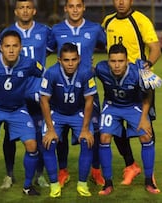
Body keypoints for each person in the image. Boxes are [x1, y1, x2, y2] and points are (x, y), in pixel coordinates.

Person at [0, 30, 43, 197]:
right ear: (0, 48)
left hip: (18, 109)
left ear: (21, 47)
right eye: (7, 46)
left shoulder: (29, 63)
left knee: (32, 146)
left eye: (15, 46)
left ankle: (27, 186)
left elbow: (46, 75)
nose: (11, 50)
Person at [102, 0, 161, 185]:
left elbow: (156, 48)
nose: (121, 2)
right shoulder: (108, 21)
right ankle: (131, 165)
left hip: (138, 81)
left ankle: (149, 173)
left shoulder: (140, 20)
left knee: (146, 128)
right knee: (116, 127)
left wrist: (147, 67)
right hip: (116, 79)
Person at [49, 0, 106, 187]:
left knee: (95, 131)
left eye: (78, 6)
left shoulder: (95, 29)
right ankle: (63, 170)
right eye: (70, 6)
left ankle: (95, 170)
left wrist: (101, 68)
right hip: (62, 89)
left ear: (84, 8)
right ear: (65, 8)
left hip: (88, 88)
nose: (74, 10)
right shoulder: (56, 30)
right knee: (62, 131)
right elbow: (45, 50)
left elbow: (111, 49)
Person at [0, 0, 52, 189]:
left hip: (37, 89)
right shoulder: (7, 34)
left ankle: (40, 175)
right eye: (21, 7)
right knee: (9, 134)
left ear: (34, 10)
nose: (25, 10)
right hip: (14, 89)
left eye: (28, 7)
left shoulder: (45, 31)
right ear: (16, 11)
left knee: (40, 134)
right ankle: (9, 174)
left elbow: (58, 49)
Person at [95, 44, 160, 195]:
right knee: (104, 137)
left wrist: (144, 117)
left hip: (134, 106)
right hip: (112, 106)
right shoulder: (101, 69)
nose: (117, 65)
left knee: (146, 135)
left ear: (127, 61)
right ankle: (108, 183)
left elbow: (149, 93)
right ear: (108, 61)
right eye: (113, 61)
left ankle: (149, 181)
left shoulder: (138, 72)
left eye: (120, 61)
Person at [40, 43, 96, 198]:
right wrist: (51, 130)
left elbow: (89, 101)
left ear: (79, 59)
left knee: (88, 141)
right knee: (48, 143)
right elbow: (44, 100)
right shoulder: (51, 73)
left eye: (73, 59)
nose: (70, 64)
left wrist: (85, 129)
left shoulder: (86, 73)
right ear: (59, 60)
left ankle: (82, 184)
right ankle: (54, 184)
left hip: (77, 113)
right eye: (66, 60)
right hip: (56, 113)